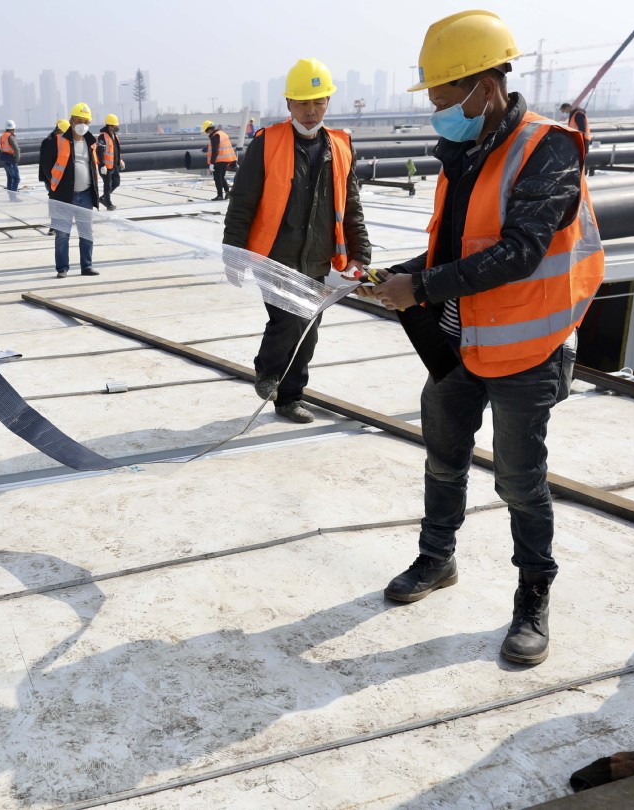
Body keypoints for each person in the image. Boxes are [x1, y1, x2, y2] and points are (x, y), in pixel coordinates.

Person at [364, 10, 603, 666]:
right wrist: (403, 275)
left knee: (520, 482)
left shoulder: (547, 148)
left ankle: (533, 596)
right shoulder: (466, 153)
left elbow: (521, 251)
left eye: (445, 97)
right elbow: (457, 247)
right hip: (462, 342)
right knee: (443, 459)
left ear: (486, 86)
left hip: (528, 351)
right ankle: (437, 558)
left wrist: (424, 287)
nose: (438, 111)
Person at [223, 57, 370, 424]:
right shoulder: (267, 143)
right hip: (274, 255)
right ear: (288, 104)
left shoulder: (340, 146)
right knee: (287, 320)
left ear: (327, 103)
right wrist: (233, 254)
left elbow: (351, 207)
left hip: (318, 258)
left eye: (318, 101)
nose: (311, 110)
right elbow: (243, 202)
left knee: (308, 331)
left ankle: (290, 398)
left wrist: (359, 254)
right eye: (303, 102)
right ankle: (267, 368)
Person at [42, 102, 99, 278]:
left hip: (86, 195)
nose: (83, 125)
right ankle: (62, 268)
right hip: (63, 196)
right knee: (62, 234)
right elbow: (45, 165)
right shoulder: (58, 141)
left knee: (86, 233)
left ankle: (86, 266)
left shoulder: (91, 142)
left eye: (86, 121)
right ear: (72, 121)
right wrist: (54, 186)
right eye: (79, 120)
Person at [97, 114, 124, 211]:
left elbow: (116, 150)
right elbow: (99, 151)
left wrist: (119, 160)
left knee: (116, 182)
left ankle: (103, 197)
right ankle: (108, 204)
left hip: (114, 165)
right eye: (114, 125)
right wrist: (102, 165)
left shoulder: (115, 136)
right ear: (110, 126)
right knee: (107, 185)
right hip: (106, 167)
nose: (116, 127)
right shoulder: (102, 137)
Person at [204, 120, 237, 200]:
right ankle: (227, 192)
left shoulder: (215, 136)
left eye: (207, 131)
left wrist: (212, 163)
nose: (208, 133)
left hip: (219, 160)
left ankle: (219, 196)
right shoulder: (222, 134)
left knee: (217, 178)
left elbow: (215, 150)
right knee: (221, 177)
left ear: (209, 129)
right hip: (226, 159)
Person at [0, 120, 21, 199]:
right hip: (10, 159)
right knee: (16, 178)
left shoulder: (2, 136)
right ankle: (13, 197)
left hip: (3, 158)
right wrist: (17, 159)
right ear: (13, 128)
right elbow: (16, 148)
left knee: (10, 177)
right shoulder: (10, 136)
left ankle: (10, 197)